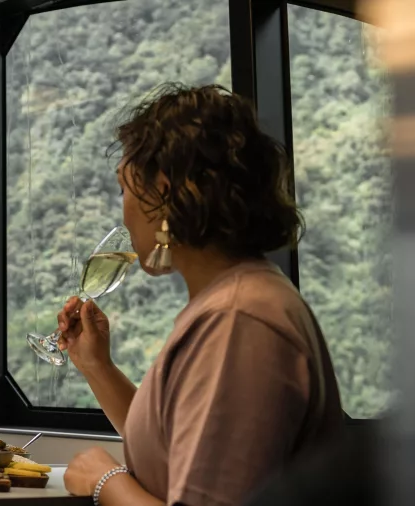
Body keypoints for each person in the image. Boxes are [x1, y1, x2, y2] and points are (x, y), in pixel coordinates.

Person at [58, 83, 344, 506]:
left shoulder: (238, 320)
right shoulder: (236, 300)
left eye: (124, 188)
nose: (122, 208)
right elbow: (175, 445)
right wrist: (96, 365)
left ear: (166, 192)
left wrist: (107, 481)